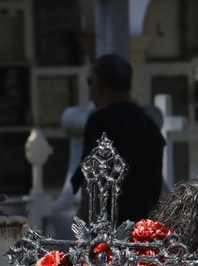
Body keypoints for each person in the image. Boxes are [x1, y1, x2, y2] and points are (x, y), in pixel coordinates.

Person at [69, 54, 165, 223]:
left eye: (90, 82)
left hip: (112, 229)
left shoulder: (101, 121)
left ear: (100, 86)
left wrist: (87, 232)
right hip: (146, 229)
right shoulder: (149, 124)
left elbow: (93, 185)